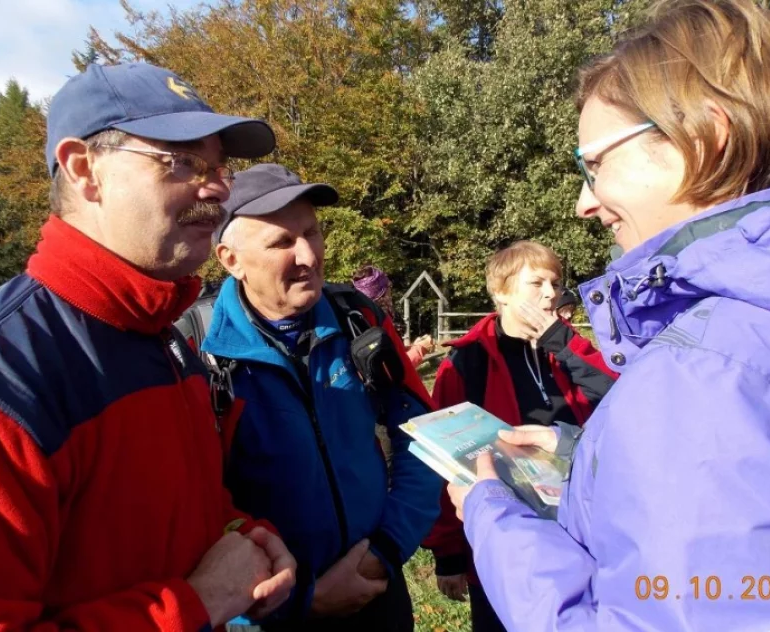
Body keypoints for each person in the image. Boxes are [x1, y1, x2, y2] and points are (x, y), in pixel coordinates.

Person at [449, 1, 770, 630]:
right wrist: (585, 459)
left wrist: (492, 516)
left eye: (595, 163)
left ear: (702, 136)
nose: (586, 202)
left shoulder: (706, 372)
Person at [0, 62, 296, 630]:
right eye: (181, 161)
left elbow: (171, 520)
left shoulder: (165, 338)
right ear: (84, 169)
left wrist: (243, 535)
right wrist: (199, 603)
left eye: (219, 166)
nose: (216, 187)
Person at [201, 164, 443, 630]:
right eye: (281, 242)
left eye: (312, 232)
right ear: (231, 260)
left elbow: (422, 435)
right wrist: (299, 599)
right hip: (268, 615)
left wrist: (385, 551)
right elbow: (193, 513)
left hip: (376, 590)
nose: (308, 255)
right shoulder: (198, 351)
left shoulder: (360, 317)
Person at [426, 241, 617, 632]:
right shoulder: (466, 363)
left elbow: (622, 395)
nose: (550, 293)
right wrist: (448, 554)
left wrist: (561, 342)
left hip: (582, 532)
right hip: (507, 536)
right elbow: (444, 461)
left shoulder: (563, 353)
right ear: (501, 293)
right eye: (536, 283)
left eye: (555, 282)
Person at [352, 265, 436, 367]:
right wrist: (420, 349)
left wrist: (413, 346)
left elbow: (394, 353)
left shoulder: (371, 316)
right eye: (388, 287)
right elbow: (392, 369)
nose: (390, 291)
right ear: (381, 294)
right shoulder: (372, 324)